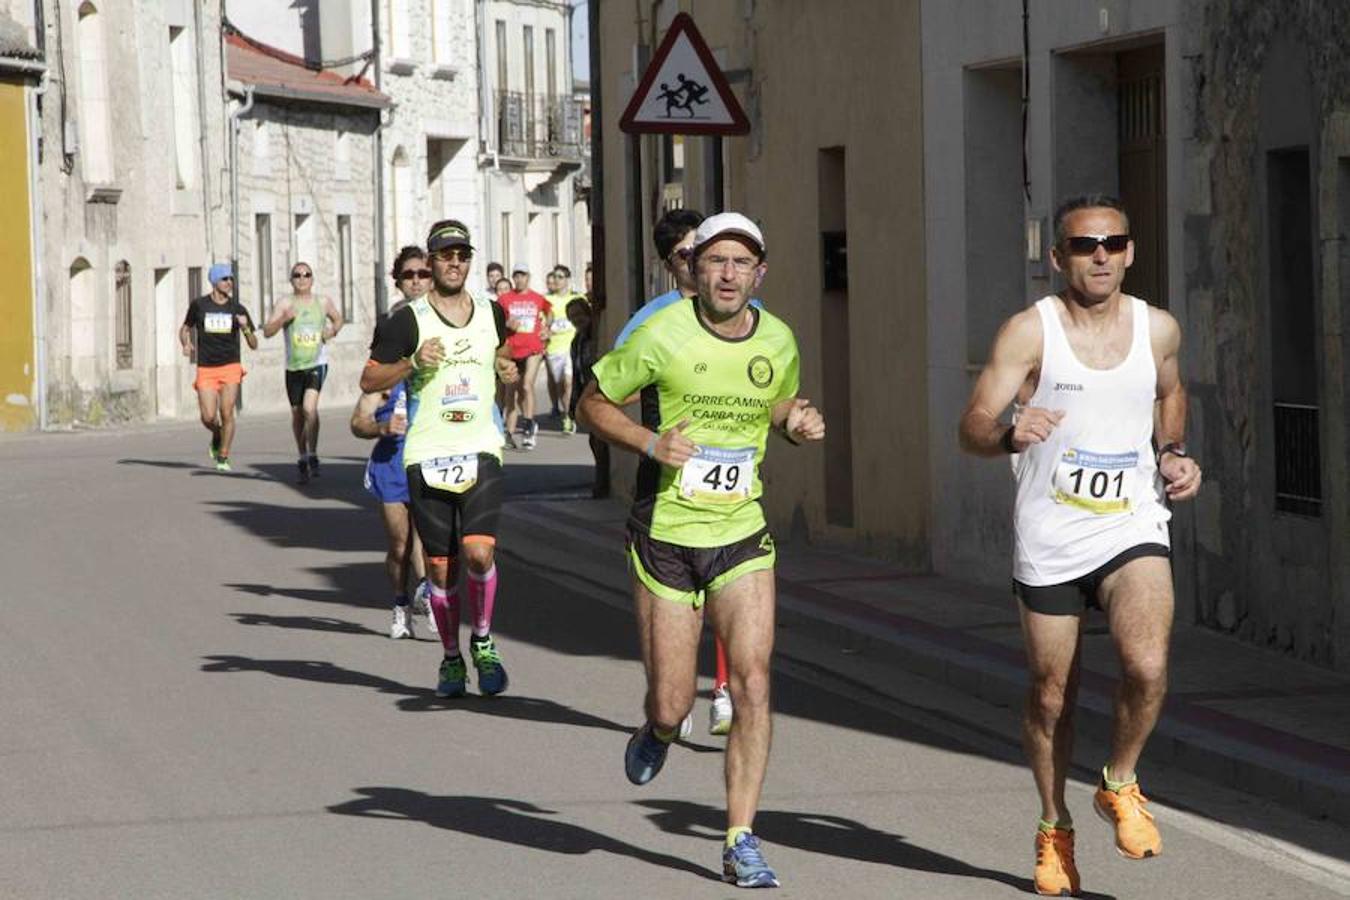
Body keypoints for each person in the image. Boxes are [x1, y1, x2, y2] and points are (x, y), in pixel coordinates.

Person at [958, 194, 1203, 898]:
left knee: (1148, 666)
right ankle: (1053, 825)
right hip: (1051, 534)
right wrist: (1008, 433)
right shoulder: (1029, 333)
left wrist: (1174, 452)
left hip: (1132, 525)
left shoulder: (1157, 327)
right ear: (1057, 256)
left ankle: (1119, 781)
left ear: (1130, 251)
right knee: (1051, 694)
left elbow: (1170, 393)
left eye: (1113, 242)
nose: (1101, 254)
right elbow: (970, 425)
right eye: (1085, 244)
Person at [579, 213, 824, 888]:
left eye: (741, 263)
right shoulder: (662, 333)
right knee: (673, 703)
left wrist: (795, 421)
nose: (727, 274)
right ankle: (656, 731)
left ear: (759, 274)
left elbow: (776, 402)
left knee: (751, 683)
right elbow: (592, 403)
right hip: (666, 534)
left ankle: (741, 835)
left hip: (741, 532)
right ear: (694, 268)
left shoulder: (777, 338)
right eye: (715, 261)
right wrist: (649, 443)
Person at [362, 220, 519, 698]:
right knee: (440, 568)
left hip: (481, 447)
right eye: (446, 255)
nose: (455, 262)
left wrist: (505, 365)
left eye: (462, 254)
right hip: (427, 452)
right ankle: (451, 657)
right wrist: (412, 363)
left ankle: (485, 642)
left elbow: (504, 351)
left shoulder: (492, 313)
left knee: (479, 551)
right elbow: (369, 381)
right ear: (430, 263)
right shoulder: (407, 321)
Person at [617, 208, 758, 737]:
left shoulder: (748, 312)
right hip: (668, 491)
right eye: (689, 255)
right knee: (669, 678)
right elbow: (613, 388)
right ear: (675, 264)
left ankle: (722, 687)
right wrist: (667, 389)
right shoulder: (653, 322)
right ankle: (665, 712)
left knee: (732, 593)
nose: (711, 267)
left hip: (733, 489)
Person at [350, 246, 432, 640]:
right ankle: (401, 602)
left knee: (433, 537)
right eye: (409, 275)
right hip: (391, 464)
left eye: (423, 274)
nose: (417, 280)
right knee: (400, 543)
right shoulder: (385, 368)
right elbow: (358, 419)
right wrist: (381, 429)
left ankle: (428, 593)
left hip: (432, 456)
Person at [262, 262, 344, 483]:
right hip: (293, 367)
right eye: (297, 275)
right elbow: (267, 332)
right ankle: (302, 456)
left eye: (306, 275)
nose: (302, 278)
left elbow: (338, 319)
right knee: (298, 414)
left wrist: (332, 331)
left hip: (317, 363)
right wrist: (283, 320)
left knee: (310, 408)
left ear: (312, 279)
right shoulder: (285, 304)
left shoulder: (323, 302)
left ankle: (314, 452)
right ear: (291, 280)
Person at [180, 263, 258, 472]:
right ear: (214, 281)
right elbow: (185, 328)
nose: (229, 283)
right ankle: (217, 434)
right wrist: (186, 343)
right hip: (206, 367)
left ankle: (223, 456)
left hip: (230, 365)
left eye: (231, 279)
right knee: (207, 417)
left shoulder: (237, 309)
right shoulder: (199, 305)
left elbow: (253, 343)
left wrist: (245, 328)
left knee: (227, 412)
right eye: (225, 279)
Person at [496, 265, 551, 450]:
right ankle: (509, 434)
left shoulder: (537, 298)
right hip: (512, 349)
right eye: (516, 276)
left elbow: (549, 311)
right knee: (511, 391)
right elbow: (497, 319)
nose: (520, 279)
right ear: (513, 278)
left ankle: (528, 424)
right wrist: (506, 323)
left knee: (527, 385)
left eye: (523, 275)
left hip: (533, 347)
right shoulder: (505, 299)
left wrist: (546, 329)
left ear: (528, 277)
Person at [544, 264, 586, 434]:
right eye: (555, 277)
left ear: (567, 280)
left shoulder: (577, 298)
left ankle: (568, 417)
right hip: (554, 348)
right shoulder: (548, 301)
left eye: (561, 277)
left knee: (569, 382)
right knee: (560, 384)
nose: (557, 280)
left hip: (571, 345)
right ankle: (565, 408)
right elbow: (545, 324)